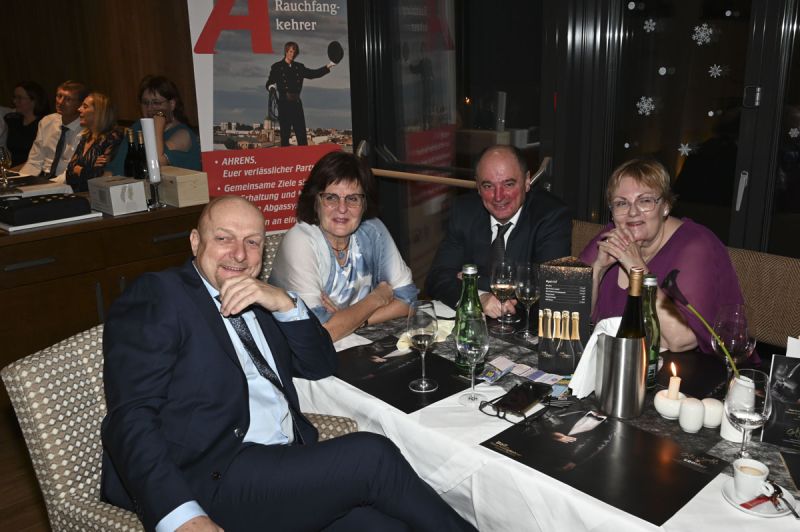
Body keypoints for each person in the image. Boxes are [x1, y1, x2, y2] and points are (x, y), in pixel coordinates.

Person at [101, 195, 474, 532]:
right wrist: (179, 514)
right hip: (214, 475)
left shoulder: (262, 299)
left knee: (391, 526)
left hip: (281, 465)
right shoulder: (161, 295)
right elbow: (130, 416)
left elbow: (319, 364)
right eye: (224, 238)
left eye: (252, 242)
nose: (239, 254)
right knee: (371, 456)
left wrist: (286, 305)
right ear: (196, 242)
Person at [579, 158, 745, 353]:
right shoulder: (610, 238)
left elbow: (681, 340)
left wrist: (637, 268)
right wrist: (597, 271)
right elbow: (572, 316)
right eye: (621, 203)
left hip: (691, 367)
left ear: (665, 206)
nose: (632, 212)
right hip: (618, 359)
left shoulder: (696, 246)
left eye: (645, 201)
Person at [269, 151, 417, 342]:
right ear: (315, 201)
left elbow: (408, 302)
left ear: (364, 203)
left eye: (352, 198)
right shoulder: (300, 241)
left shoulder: (373, 231)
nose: (342, 208)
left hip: (354, 345)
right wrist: (376, 299)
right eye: (331, 198)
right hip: (295, 351)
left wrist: (350, 319)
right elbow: (319, 333)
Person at [426, 145, 572, 317]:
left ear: (527, 181)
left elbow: (549, 290)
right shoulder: (464, 211)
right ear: (478, 187)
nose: (498, 196)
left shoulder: (551, 216)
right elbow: (437, 278)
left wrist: (473, 282)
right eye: (488, 186)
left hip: (527, 326)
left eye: (508, 184)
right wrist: (478, 299)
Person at [109, 75, 201, 174]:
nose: (149, 108)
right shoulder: (137, 127)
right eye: (145, 103)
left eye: (156, 103)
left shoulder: (183, 134)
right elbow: (114, 168)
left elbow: (156, 164)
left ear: (172, 104)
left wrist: (158, 124)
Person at [266, 41, 334, 146]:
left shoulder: (299, 67)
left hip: (297, 105)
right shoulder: (277, 67)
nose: (292, 54)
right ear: (286, 51)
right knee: (285, 136)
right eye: (290, 51)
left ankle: (304, 156)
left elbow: (313, 74)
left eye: (294, 52)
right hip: (284, 105)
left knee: (302, 136)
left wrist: (329, 65)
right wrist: (271, 87)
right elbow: (269, 82)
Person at [19, 80, 88, 177]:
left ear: (81, 104)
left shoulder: (86, 129)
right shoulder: (47, 121)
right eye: (59, 96)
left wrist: (51, 184)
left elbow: (74, 170)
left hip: (66, 179)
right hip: (43, 176)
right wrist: (22, 180)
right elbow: (34, 161)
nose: (60, 102)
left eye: (68, 99)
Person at [59, 92, 123, 192]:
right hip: (78, 194)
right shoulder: (86, 137)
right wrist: (90, 169)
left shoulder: (112, 137)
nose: (79, 109)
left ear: (98, 112)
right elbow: (69, 173)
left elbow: (103, 177)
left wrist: (80, 170)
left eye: (85, 107)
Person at [4, 81, 49, 166]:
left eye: (19, 98)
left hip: (34, 169)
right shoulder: (12, 120)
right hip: (13, 169)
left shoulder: (45, 124)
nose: (14, 101)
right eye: (14, 97)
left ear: (34, 100)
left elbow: (45, 158)